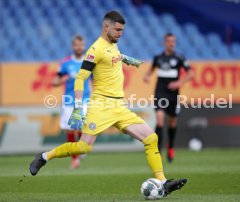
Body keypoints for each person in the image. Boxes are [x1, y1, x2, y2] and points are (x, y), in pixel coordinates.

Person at [29, 11, 187, 197]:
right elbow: (80, 79)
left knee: (151, 138)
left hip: (119, 106)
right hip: (101, 105)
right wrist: (79, 107)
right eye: (118, 30)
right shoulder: (95, 49)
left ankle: (162, 182)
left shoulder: (113, 45)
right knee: (83, 147)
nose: (120, 33)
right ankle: (44, 156)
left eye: (122, 30)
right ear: (106, 27)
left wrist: (126, 59)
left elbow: (112, 56)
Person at [144, 33, 194, 162]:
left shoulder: (179, 58)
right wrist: (147, 76)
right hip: (160, 92)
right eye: (169, 41)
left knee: (172, 122)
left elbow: (191, 74)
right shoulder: (158, 58)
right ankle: (157, 151)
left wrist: (179, 83)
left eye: (174, 41)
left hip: (173, 94)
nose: (172, 43)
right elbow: (151, 70)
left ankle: (171, 146)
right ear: (165, 42)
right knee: (160, 119)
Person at [52, 35, 91, 169]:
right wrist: (63, 79)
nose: (79, 48)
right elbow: (54, 81)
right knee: (69, 129)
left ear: (84, 46)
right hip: (69, 101)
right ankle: (74, 160)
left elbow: (96, 80)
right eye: (76, 45)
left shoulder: (89, 62)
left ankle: (81, 146)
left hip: (85, 99)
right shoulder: (65, 63)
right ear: (73, 46)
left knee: (81, 126)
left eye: (81, 45)